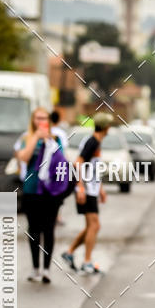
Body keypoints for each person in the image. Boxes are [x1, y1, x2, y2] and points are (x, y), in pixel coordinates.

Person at [16, 107, 66, 283]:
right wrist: (36, 137)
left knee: (49, 228)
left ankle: (46, 268)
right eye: (37, 118)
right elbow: (23, 157)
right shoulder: (26, 138)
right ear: (33, 120)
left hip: (50, 192)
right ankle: (35, 267)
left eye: (44, 118)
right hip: (32, 189)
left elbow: (61, 162)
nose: (41, 121)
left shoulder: (56, 139)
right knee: (33, 229)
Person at [61, 113, 112, 275]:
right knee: (94, 226)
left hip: (92, 189)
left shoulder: (96, 142)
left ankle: (69, 253)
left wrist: (101, 189)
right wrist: (81, 187)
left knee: (92, 226)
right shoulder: (92, 142)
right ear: (105, 128)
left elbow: (94, 168)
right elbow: (78, 163)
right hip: (86, 189)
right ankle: (87, 262)